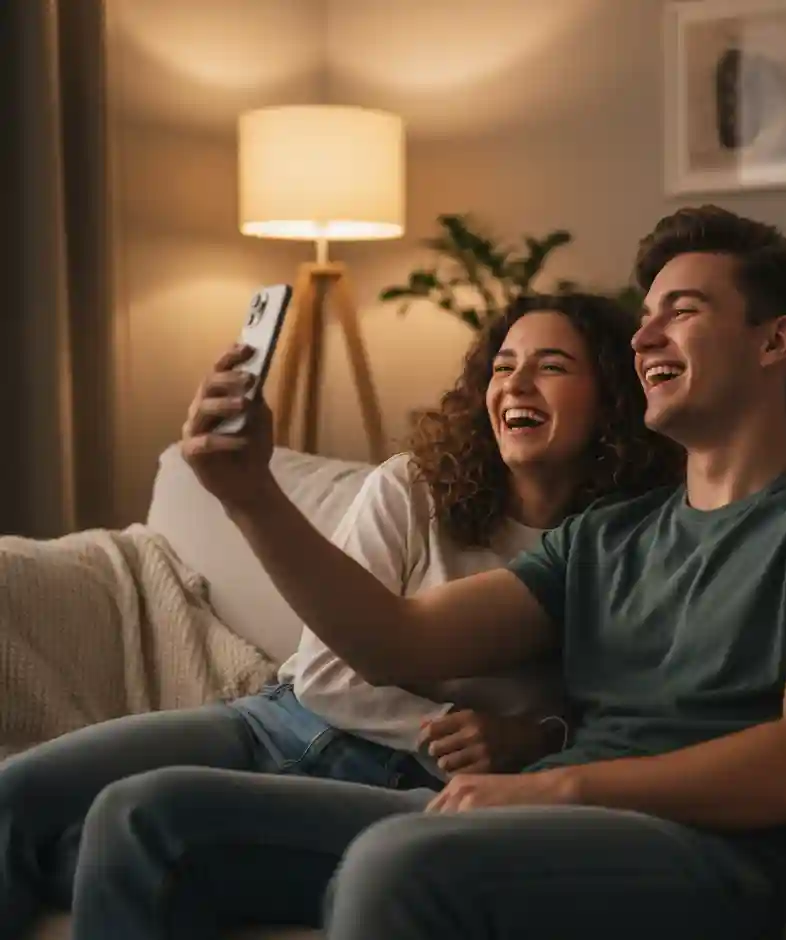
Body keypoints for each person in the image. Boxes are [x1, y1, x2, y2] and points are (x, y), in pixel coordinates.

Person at [68, 206, 786, 940]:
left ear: (775, 340)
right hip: (546, 820)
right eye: (645, 315)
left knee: (398, 861)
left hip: (704, 850)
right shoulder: (607, 536)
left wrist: (556, 786)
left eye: (682, 310)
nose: (643, 335)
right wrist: (250, 494)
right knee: (142, 816)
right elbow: (391, 639)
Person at [0, 292, 680, 940]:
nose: (517, 385)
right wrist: (439, 729)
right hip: (285, 725)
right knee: (18, 793)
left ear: (613, 398)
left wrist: (534, 740)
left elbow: (622, 720)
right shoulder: (413, 487)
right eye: (504, 367)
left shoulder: (625, 544)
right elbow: (328, 675)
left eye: (551, 367)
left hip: (416, 791)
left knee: (132, 825)